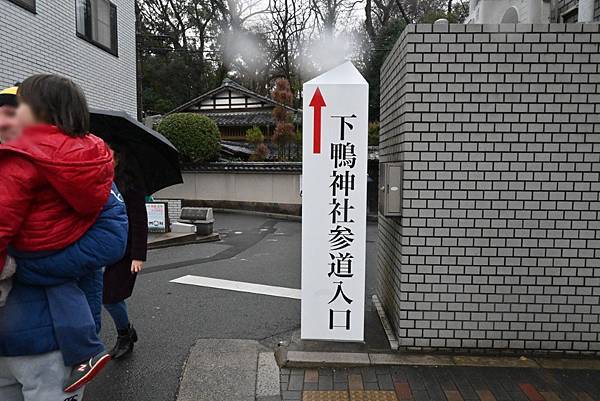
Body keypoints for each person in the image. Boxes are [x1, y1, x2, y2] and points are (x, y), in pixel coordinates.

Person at [0, 75, 126, 399]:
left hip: (47, 334)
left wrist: (26, 267)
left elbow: (112, 238)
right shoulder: (92, 162)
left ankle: (87, 348)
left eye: (17, 106)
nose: (10, 113)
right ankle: (88, 348)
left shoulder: (20, 157)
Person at [103, 143, 149, 359]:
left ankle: (125, 334)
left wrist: (138, 255)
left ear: (119, 158)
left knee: (111, 297)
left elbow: (140, 220)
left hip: (126, 250)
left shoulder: (130, 184)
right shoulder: (97, 179)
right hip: (101, 247)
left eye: (108, 153)